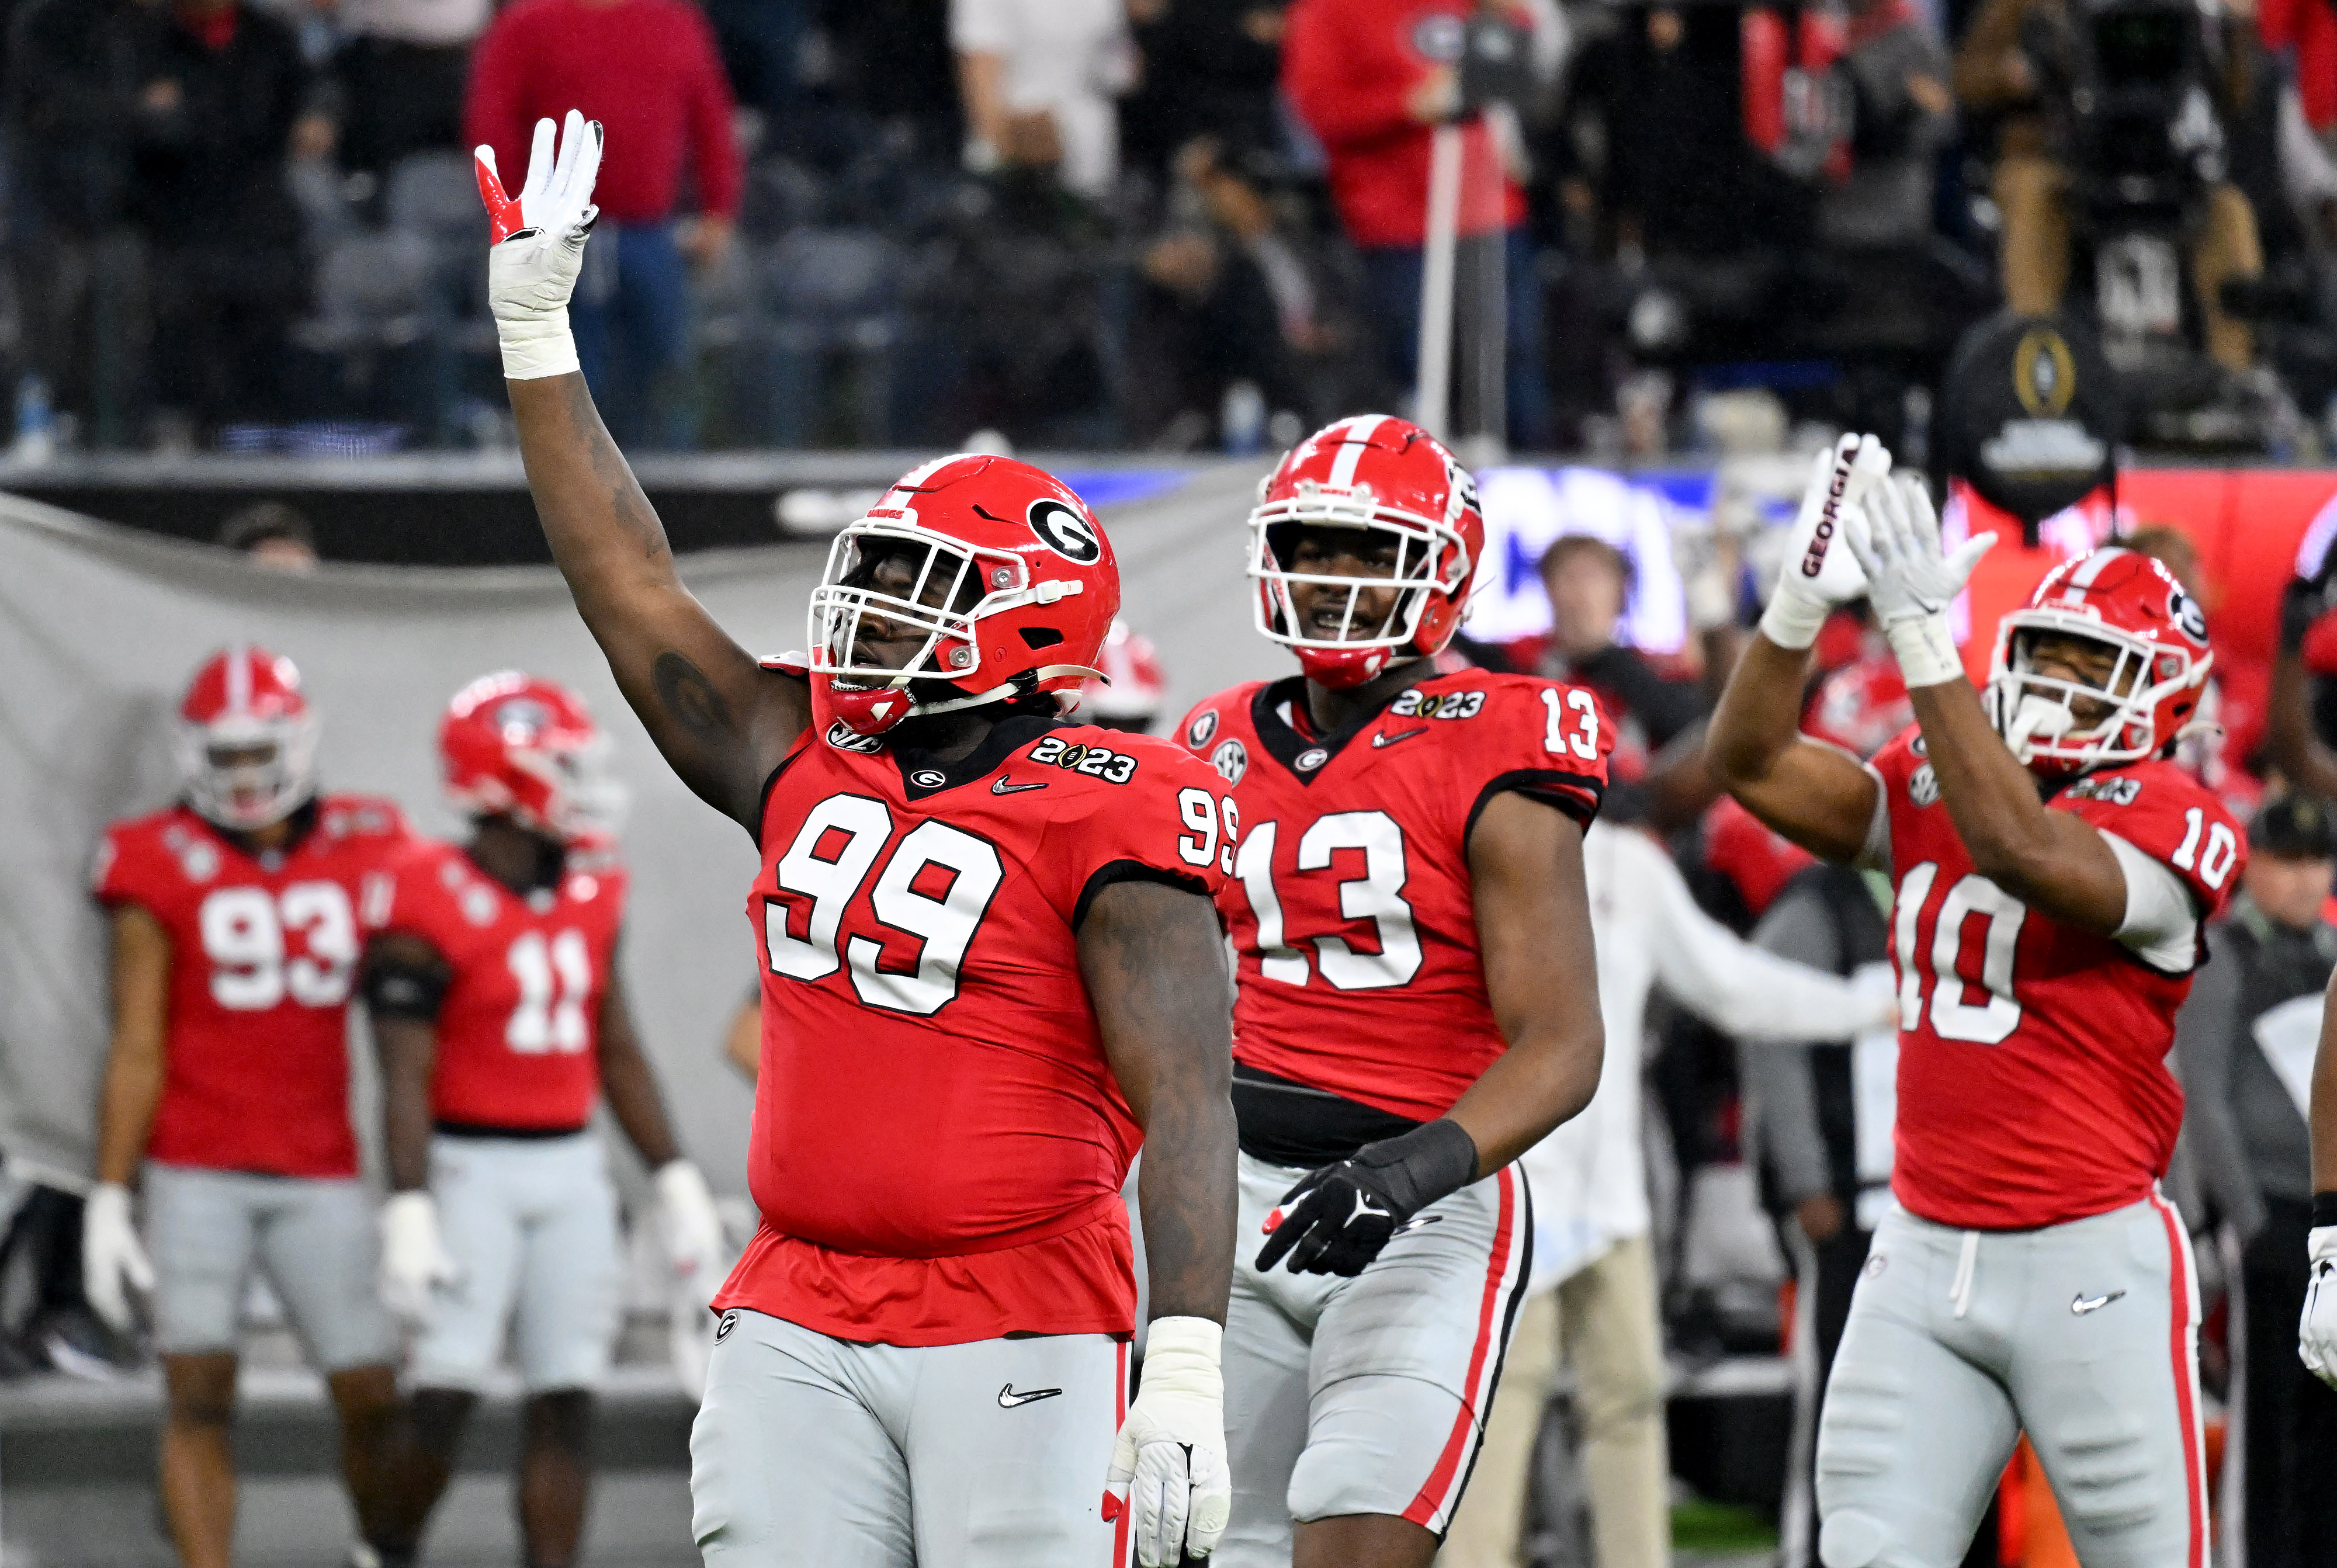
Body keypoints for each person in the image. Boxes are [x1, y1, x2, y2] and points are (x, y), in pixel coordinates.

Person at [472, 112, 1242, 1568]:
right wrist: (535, 333)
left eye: (919, 587)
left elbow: (1189, 1098)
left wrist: (1188, 1359)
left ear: (1025, 622)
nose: (872, 612)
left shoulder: (1113, 794)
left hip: (1019, 1303)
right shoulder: (803, 748)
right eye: (874, 578)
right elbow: (626, 580)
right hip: (797, 1304)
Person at [1708, 432, 2241, 1566]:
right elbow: (1749, 762)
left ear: (2158, 700)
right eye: (2045, 650)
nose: (2054, 683)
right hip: (1918, 1244)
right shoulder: (1939, 764)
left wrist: (1915, 637)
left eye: (2092, 667)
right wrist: (1798, 601)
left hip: (2086, 1258)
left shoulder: (2172, 814)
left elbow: (2018, 849)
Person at [1171, 414, 1606, 1568]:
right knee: (1209, 1543)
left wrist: (1403, 1173)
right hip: (1239, 1193)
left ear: (1445, 567)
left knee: (1355, 1533)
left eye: (1370, 550)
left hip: (1425, 1200)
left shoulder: (1502, 734)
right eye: (1314, 544)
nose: (1333, 576)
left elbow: (1561, 1041)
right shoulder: (1208, 738)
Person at [1443, 811, 1896, 1568]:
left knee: (1631, 1399)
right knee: (1495, 1411)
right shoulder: (1469, 855)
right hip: (1504, 1191)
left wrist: (1869, 1009)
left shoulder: (1629, 866)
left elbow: (1730, 984)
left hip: (1611, 1200)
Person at [359, 672, 724, 1568]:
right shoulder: (423, 889)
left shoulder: (593, 884)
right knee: (443, 1393)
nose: (586, 784)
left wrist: (673, 1176)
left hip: (571, 1170)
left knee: (568, 1396)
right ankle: (381, 1553)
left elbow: (617, 1044)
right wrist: (408, 1204)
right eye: (564, 765)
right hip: (466, 1169)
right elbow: (402, 1073)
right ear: (504, 778)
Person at [85, 645, 414, 1568]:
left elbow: (422, 1011)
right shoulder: (154, 856)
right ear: (194, 754)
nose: (241, 775)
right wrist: (111, 1193)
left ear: (297, 744)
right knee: (196, 1391)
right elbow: (137, 1040)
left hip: (321, 1166)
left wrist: (430, 1184)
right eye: (221, 757)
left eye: (254, 752)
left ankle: (381, 1553)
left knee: (373, 1392)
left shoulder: (367, 839)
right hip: (195, 1163)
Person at [2175, 793, 2337, 1568]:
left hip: (2324, 1213)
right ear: (2254, 865)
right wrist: (2243, 1218)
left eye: (2318, 862)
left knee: (2323, 1418)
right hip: (2268, 1215)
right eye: (2289, 861)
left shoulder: (2329, 951)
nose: (2305, 880)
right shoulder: (2224, 956)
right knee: (2266, 1410)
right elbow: (2200, 1096)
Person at [464, 0, 740, 449]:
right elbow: (493, 123)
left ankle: (676, 503)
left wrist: (718, 209)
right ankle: (566, 509)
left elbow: (710, 116)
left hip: (651, 235)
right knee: (563, 385)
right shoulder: (527, 23)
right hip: (553, 238)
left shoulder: (674, 21)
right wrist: (516, 218)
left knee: (665, 380)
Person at [1281, 0, 1553, 448]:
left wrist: (1509, 22)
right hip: (1397, 226)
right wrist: (1406, 104)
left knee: (1513, 368)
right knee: (1417, 377)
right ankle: (1416, 498)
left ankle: (1520, 493)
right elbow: (1320, 108)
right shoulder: (1329, 10)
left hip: (1490, 212)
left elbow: (1523, 61)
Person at [1952, 0, 2264, 373]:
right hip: (2056, 158)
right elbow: (1965, 78)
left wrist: (2233, 35)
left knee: (2230, 210)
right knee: (2030, 193)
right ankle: (2038, 362)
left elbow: (2239, 96)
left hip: (2161, 160)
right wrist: (2012, 73)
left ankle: (2235, 375)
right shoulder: (2025, 6)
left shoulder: (2190, 8)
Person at [126, 0, 330, 442]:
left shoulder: (270, 38)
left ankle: (266, 437)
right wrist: (148, 115)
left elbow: (315, 93)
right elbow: (127, 127)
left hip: (258, 214)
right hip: (176, 216)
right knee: (182, 315)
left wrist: (317, 117)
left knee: (274, 315)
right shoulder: (144, 40)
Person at [949, 0, 1136, 201]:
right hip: (1013, 178)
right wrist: (1015, 140)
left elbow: (1122, 73)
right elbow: (982, 87)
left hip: (1096, 174)